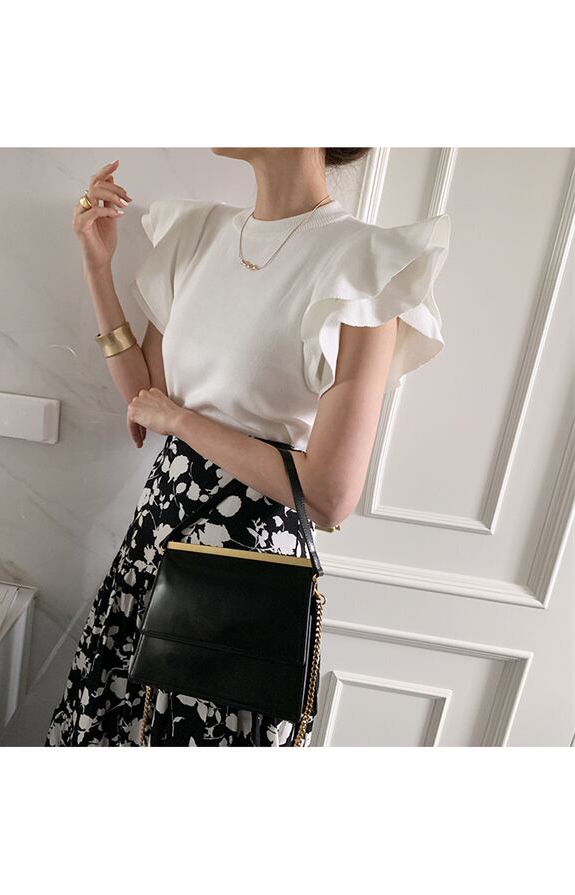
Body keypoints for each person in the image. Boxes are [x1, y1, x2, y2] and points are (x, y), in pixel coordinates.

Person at [45, 148, 451, 747]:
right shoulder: (198, 233)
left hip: (247, 575)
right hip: (155, 545)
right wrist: (97, 270)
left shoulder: (364, 266)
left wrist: (182, 421)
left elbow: (330, 496)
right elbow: (146, 399)